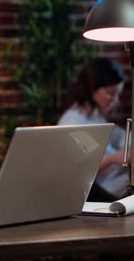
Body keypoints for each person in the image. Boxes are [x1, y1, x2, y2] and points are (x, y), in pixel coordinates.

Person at [58, 57, 128, 200]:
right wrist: (113, 158)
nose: (115, 100)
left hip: (115, 185)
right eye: (110, 93)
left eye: (117, 94)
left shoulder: (95, 115)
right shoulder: (74, 120)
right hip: (99, 194)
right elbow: (76, 171)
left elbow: (121, 136)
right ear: (92, 88)